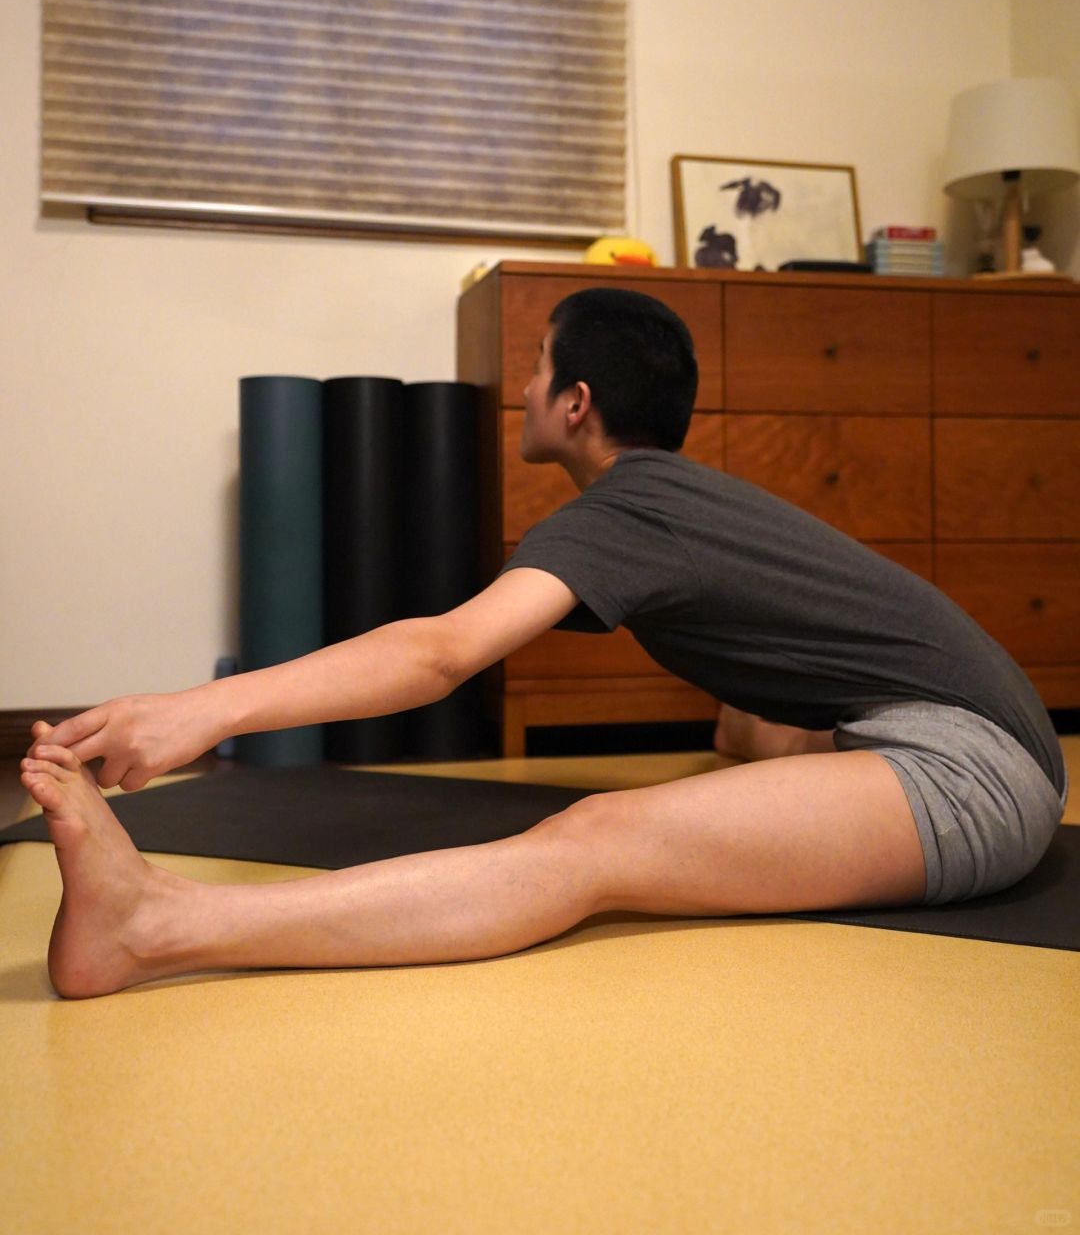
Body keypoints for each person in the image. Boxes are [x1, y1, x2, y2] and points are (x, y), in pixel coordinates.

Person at [21, 288, 1068, 999]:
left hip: (975, 772)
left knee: (594, 840)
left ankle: (155, 925)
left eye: (534, 368)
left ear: (576, 403)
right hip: (981, 745)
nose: (521, 389)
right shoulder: (684, 501)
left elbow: (440, 654)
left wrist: (201, 708)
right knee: (738, 744)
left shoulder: (626, 509)